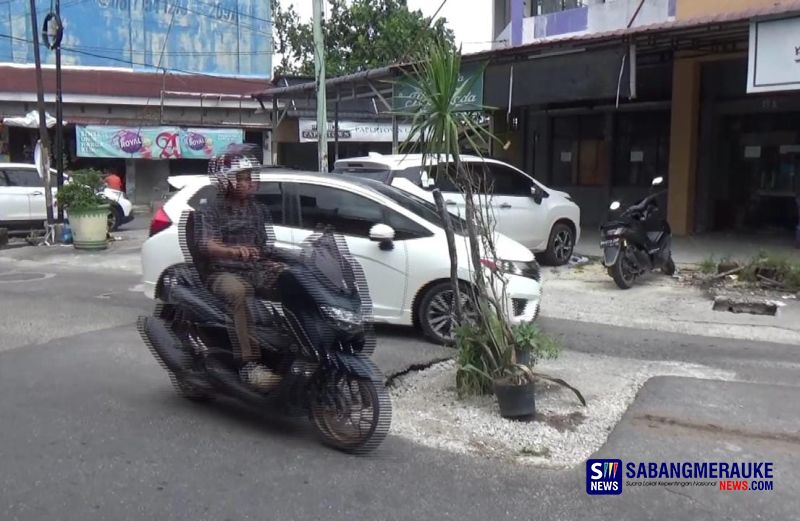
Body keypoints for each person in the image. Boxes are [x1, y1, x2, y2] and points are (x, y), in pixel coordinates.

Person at [194, 148, 286, 390]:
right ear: (226, 180)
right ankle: (249, 365)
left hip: (254, 269)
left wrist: (277, 261)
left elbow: (265, 245)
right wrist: (232, 251)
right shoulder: (211, 209)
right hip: (221, 272)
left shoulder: (258, 210)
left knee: (293, 285)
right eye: (242, 178)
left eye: (250, 177)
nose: (249, 183)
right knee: (239, 293)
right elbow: (206, 244)